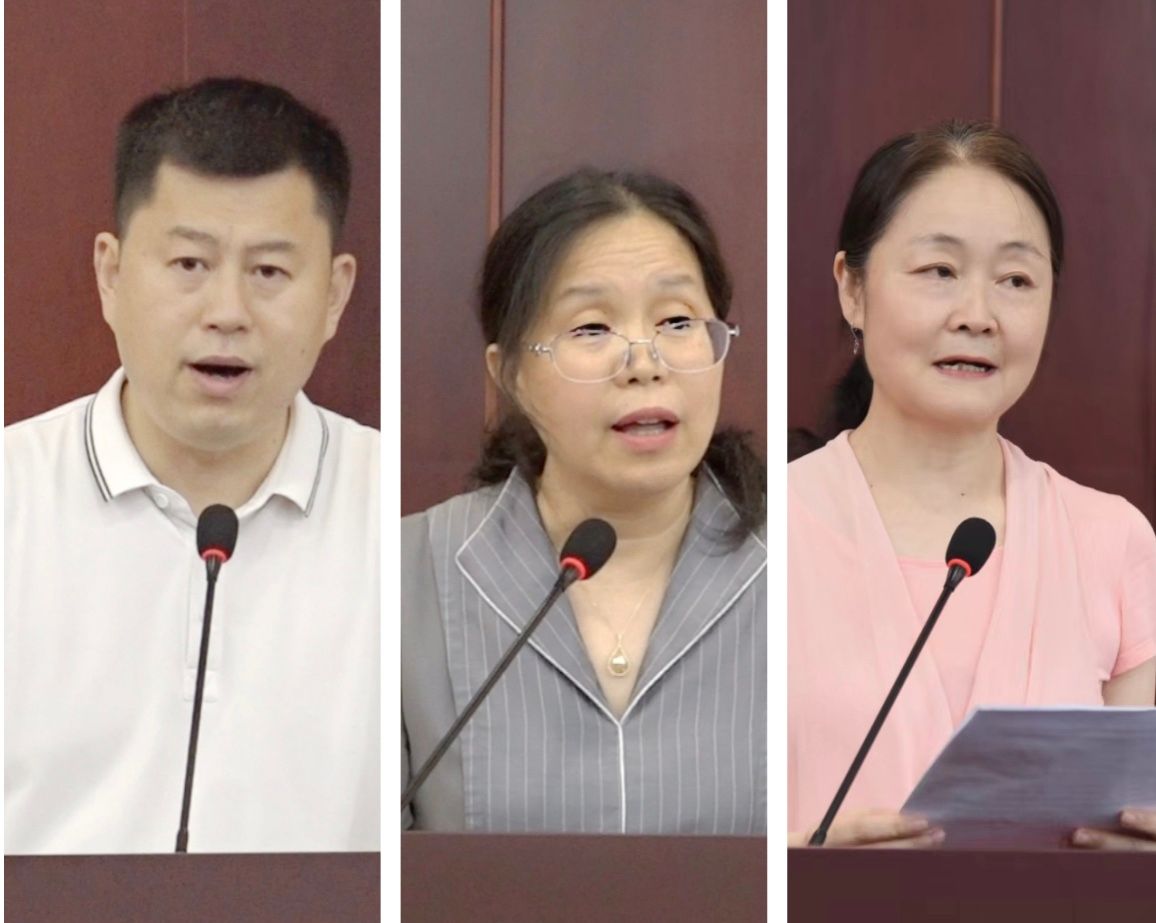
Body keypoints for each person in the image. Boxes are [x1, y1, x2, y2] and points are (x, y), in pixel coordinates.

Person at [4, 78, 379, 853]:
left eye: (269, 272)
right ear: (111, 275)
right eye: (187, 263)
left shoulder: (393, 519)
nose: (227, 312)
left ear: (335, 294)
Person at [788, 121, 1156, 849]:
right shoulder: (764, 534)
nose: (977, 316)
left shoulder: (1112, 542)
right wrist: (800, 860)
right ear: (852, 289)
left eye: (1016, 280)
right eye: (939, 271)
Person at [401, 169, 767, 833]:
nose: (644, 363)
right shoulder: (408, 576)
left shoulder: (802, 566)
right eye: (593, 328)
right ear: (510, 374)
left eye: (677, 321)